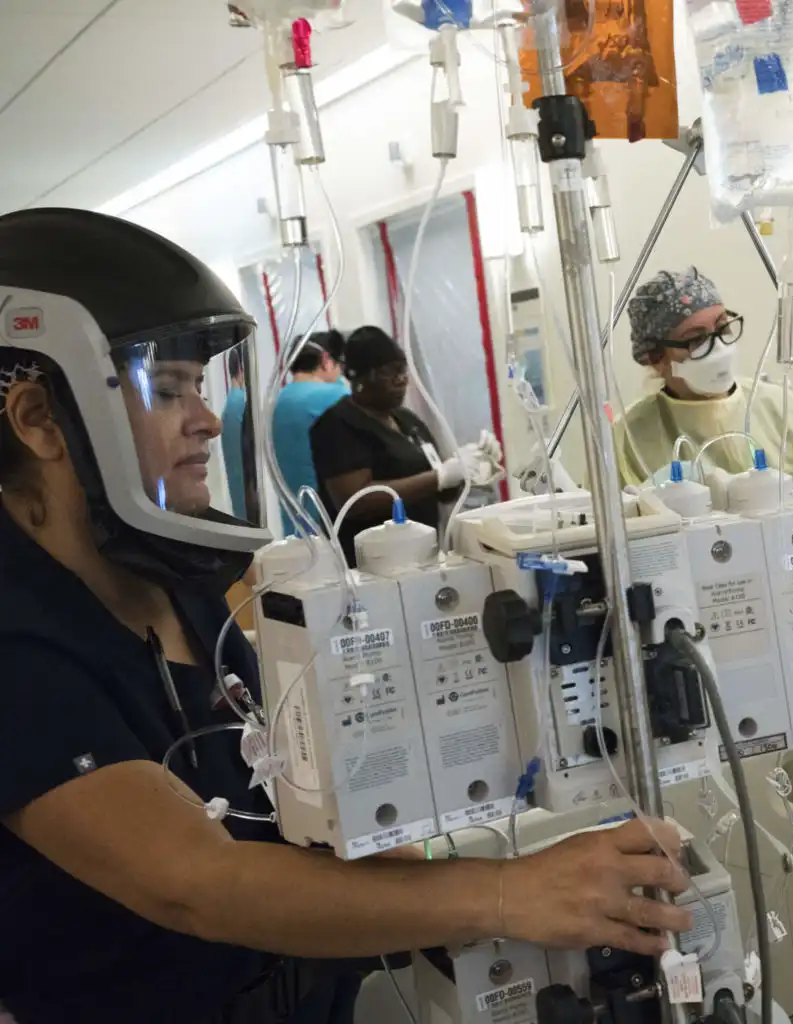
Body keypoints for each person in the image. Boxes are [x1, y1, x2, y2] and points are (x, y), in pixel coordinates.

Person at [0, 209, 691, 1024]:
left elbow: (298, 795)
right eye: (171, 389)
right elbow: (198, 883)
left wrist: (479, 875)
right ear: (40, 420)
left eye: (202, 387)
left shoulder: (180, 577)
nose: (206, 419)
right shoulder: (19, 642)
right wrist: (510, 892)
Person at [614, 267, 793, 512]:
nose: (718, 348)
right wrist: (636, 506)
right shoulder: (629, 436)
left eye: (722, 328)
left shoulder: (775, 405)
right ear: (656, 358)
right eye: (696, 340)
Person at [309, 326, 500, 564]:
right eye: (389, 372)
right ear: (360, 378)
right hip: (369, 564)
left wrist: (468, 468)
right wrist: (439, 476)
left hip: (422, 555)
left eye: (402, 370)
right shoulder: (337, 425)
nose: (401, 379)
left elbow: (444, 493)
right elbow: (356, 502)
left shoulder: (407, 421)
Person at [272, 329, 350, 534]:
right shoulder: (336, 396)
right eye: (339, 364)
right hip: (331, 524)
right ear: (326, 360)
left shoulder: (278, 401)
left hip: (295, 525)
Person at [221, 347, 247, 520]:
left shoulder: (230, 403)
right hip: (244, 482)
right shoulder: (239, 403)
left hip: (236, 481)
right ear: (241, 369)